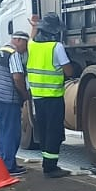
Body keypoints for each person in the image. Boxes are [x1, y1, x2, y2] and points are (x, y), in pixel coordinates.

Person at [26, 13, 75, 179]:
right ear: (55, 32)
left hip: (38, 97)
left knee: (45, 131)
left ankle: (47, 164)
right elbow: (68, 70)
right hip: (53, 96)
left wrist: (33, 26)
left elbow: (31, 38)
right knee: (54, 132)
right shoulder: (56, 47)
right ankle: (51, 167)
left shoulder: (32, 46)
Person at [0, 30, 30, 176]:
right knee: (12, 133)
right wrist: (25, 95)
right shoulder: (14, 54)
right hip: (8, 98)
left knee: (4, 131)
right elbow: (17, 77)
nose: (25, 48)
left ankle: (4, 162)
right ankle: (9, 165)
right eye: (25, 44)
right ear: (18, 40)